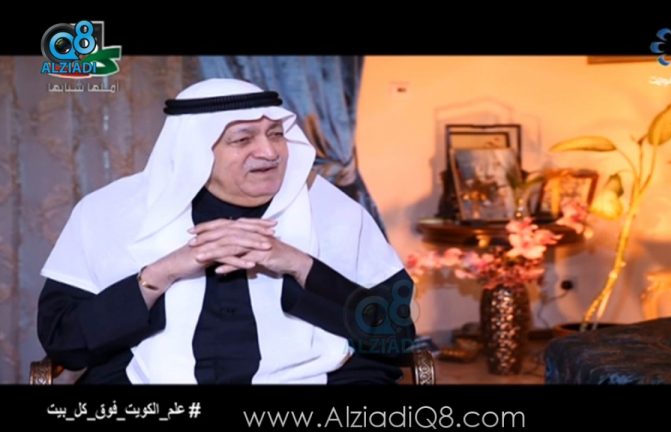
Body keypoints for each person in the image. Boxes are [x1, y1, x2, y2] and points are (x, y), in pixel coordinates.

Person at [37, 78, 415, 384]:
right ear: (194, 150)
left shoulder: (334, 212)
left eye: (276, 134)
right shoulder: (109, 213)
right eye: (243, 139)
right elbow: (66, 343)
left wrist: (298, 264)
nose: (270, 152)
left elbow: (395, 336)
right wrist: (163, 272)